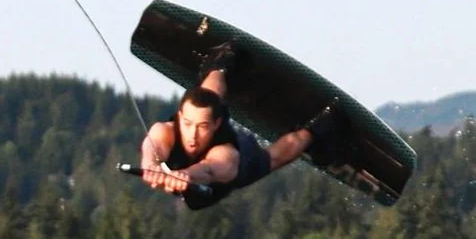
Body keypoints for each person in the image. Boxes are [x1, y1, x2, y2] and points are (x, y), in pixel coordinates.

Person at [135, 45, 340, 210]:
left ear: (217, 124)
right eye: (187, 124)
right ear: (179, 118)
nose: (193, 135)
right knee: (273, 156)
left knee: (209, 100)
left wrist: (184, 175)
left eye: (202, 127)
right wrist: (150, 166)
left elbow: (207, 169)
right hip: (210, 191)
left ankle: (220, 64)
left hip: (226, 158)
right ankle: (318, 130)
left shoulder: (226, 152)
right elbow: (153, 148)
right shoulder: (166, 131)